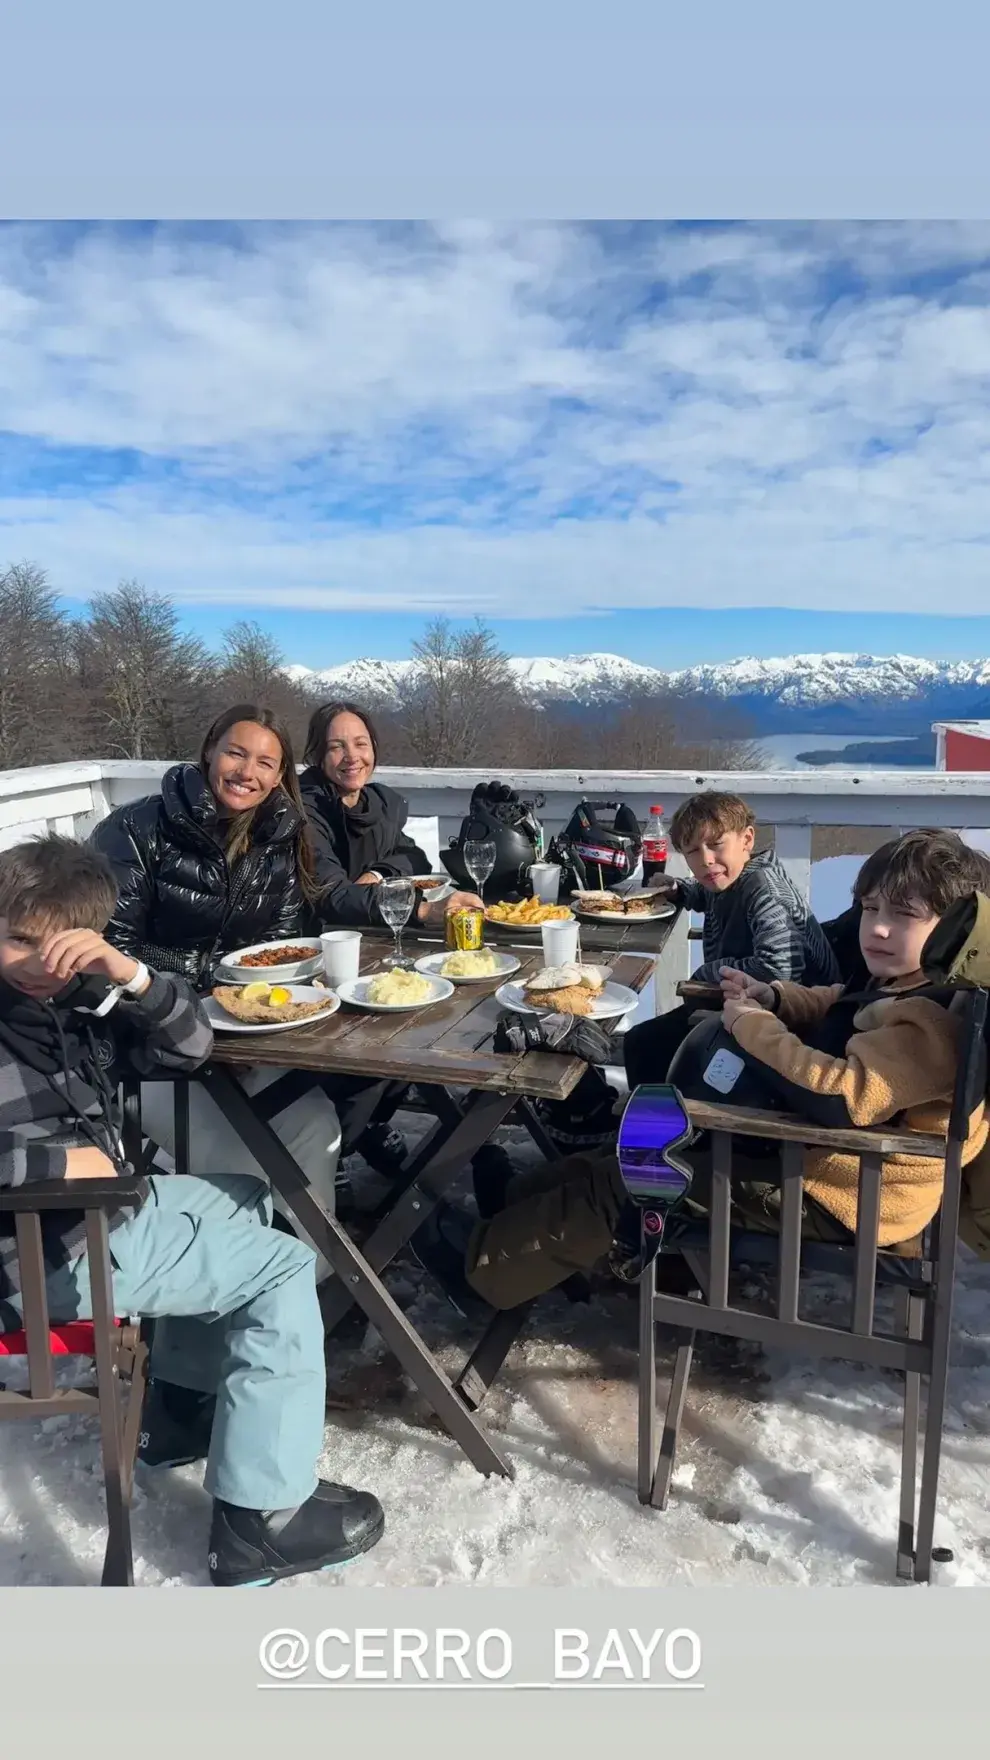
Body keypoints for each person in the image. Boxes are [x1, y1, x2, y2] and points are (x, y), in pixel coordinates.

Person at [0, 835, 383, 1586]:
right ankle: (258, 1523)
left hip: (92, 1218)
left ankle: (179, 1410)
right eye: (17, 938)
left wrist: (134, 977)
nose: (39, 961)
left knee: (252, 1200)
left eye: (61, 944)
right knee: (279, 1268)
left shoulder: (73, 1004)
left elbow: (191, 1047)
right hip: (38, 1256)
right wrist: (59, 1164)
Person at [459, 828, 990, 1310]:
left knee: (637, 1175)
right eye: (870, 909)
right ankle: (513, 1211)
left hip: (841, 1195)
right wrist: (776, 997)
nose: (876, 929)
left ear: (956, 927)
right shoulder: (913, 986)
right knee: (631, 1147)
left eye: (904, 915)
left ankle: (479, 1277)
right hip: (831, 1169)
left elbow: (842, 1097)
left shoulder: (925, 1024)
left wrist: (751, 1027)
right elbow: (843, 1004)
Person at [87, 706, 350, 1248]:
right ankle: (244, 1286)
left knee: (316, 1124)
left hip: (237, 1041)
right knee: (250, 1162)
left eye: (265, 762)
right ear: (209, 752)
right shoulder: (136, 830)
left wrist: (266, 1011)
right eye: (236, 752)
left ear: (280, 776)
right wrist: (217, 980)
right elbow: (108, 953)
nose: (246, 772)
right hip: (145, 1051)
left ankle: (311, 1281)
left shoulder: (280, 836)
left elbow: (275, 954)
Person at [622, 790, 841, 1091]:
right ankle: (662, 1119)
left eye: (715, 845)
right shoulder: (733, 878)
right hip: (749, 1004)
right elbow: (710, 894)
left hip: (797, 1024)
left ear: (747, 839)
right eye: (693, 852)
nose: (707, 861)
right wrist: (679, 889)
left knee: (644, 1045)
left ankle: (659, 1129)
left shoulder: (764, 889)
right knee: (648, 1044)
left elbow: (779, 970)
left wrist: (707, 973)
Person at [300, 700, 482, 929]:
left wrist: (377, 875)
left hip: (370, 932)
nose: (352, 756)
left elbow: (414, 857)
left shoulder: (377, 806)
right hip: (319, 941)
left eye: (361, 744)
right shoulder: (305, 813)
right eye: (337, 747)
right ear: (319, 756)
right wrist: (424, 909)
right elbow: (332, 896)